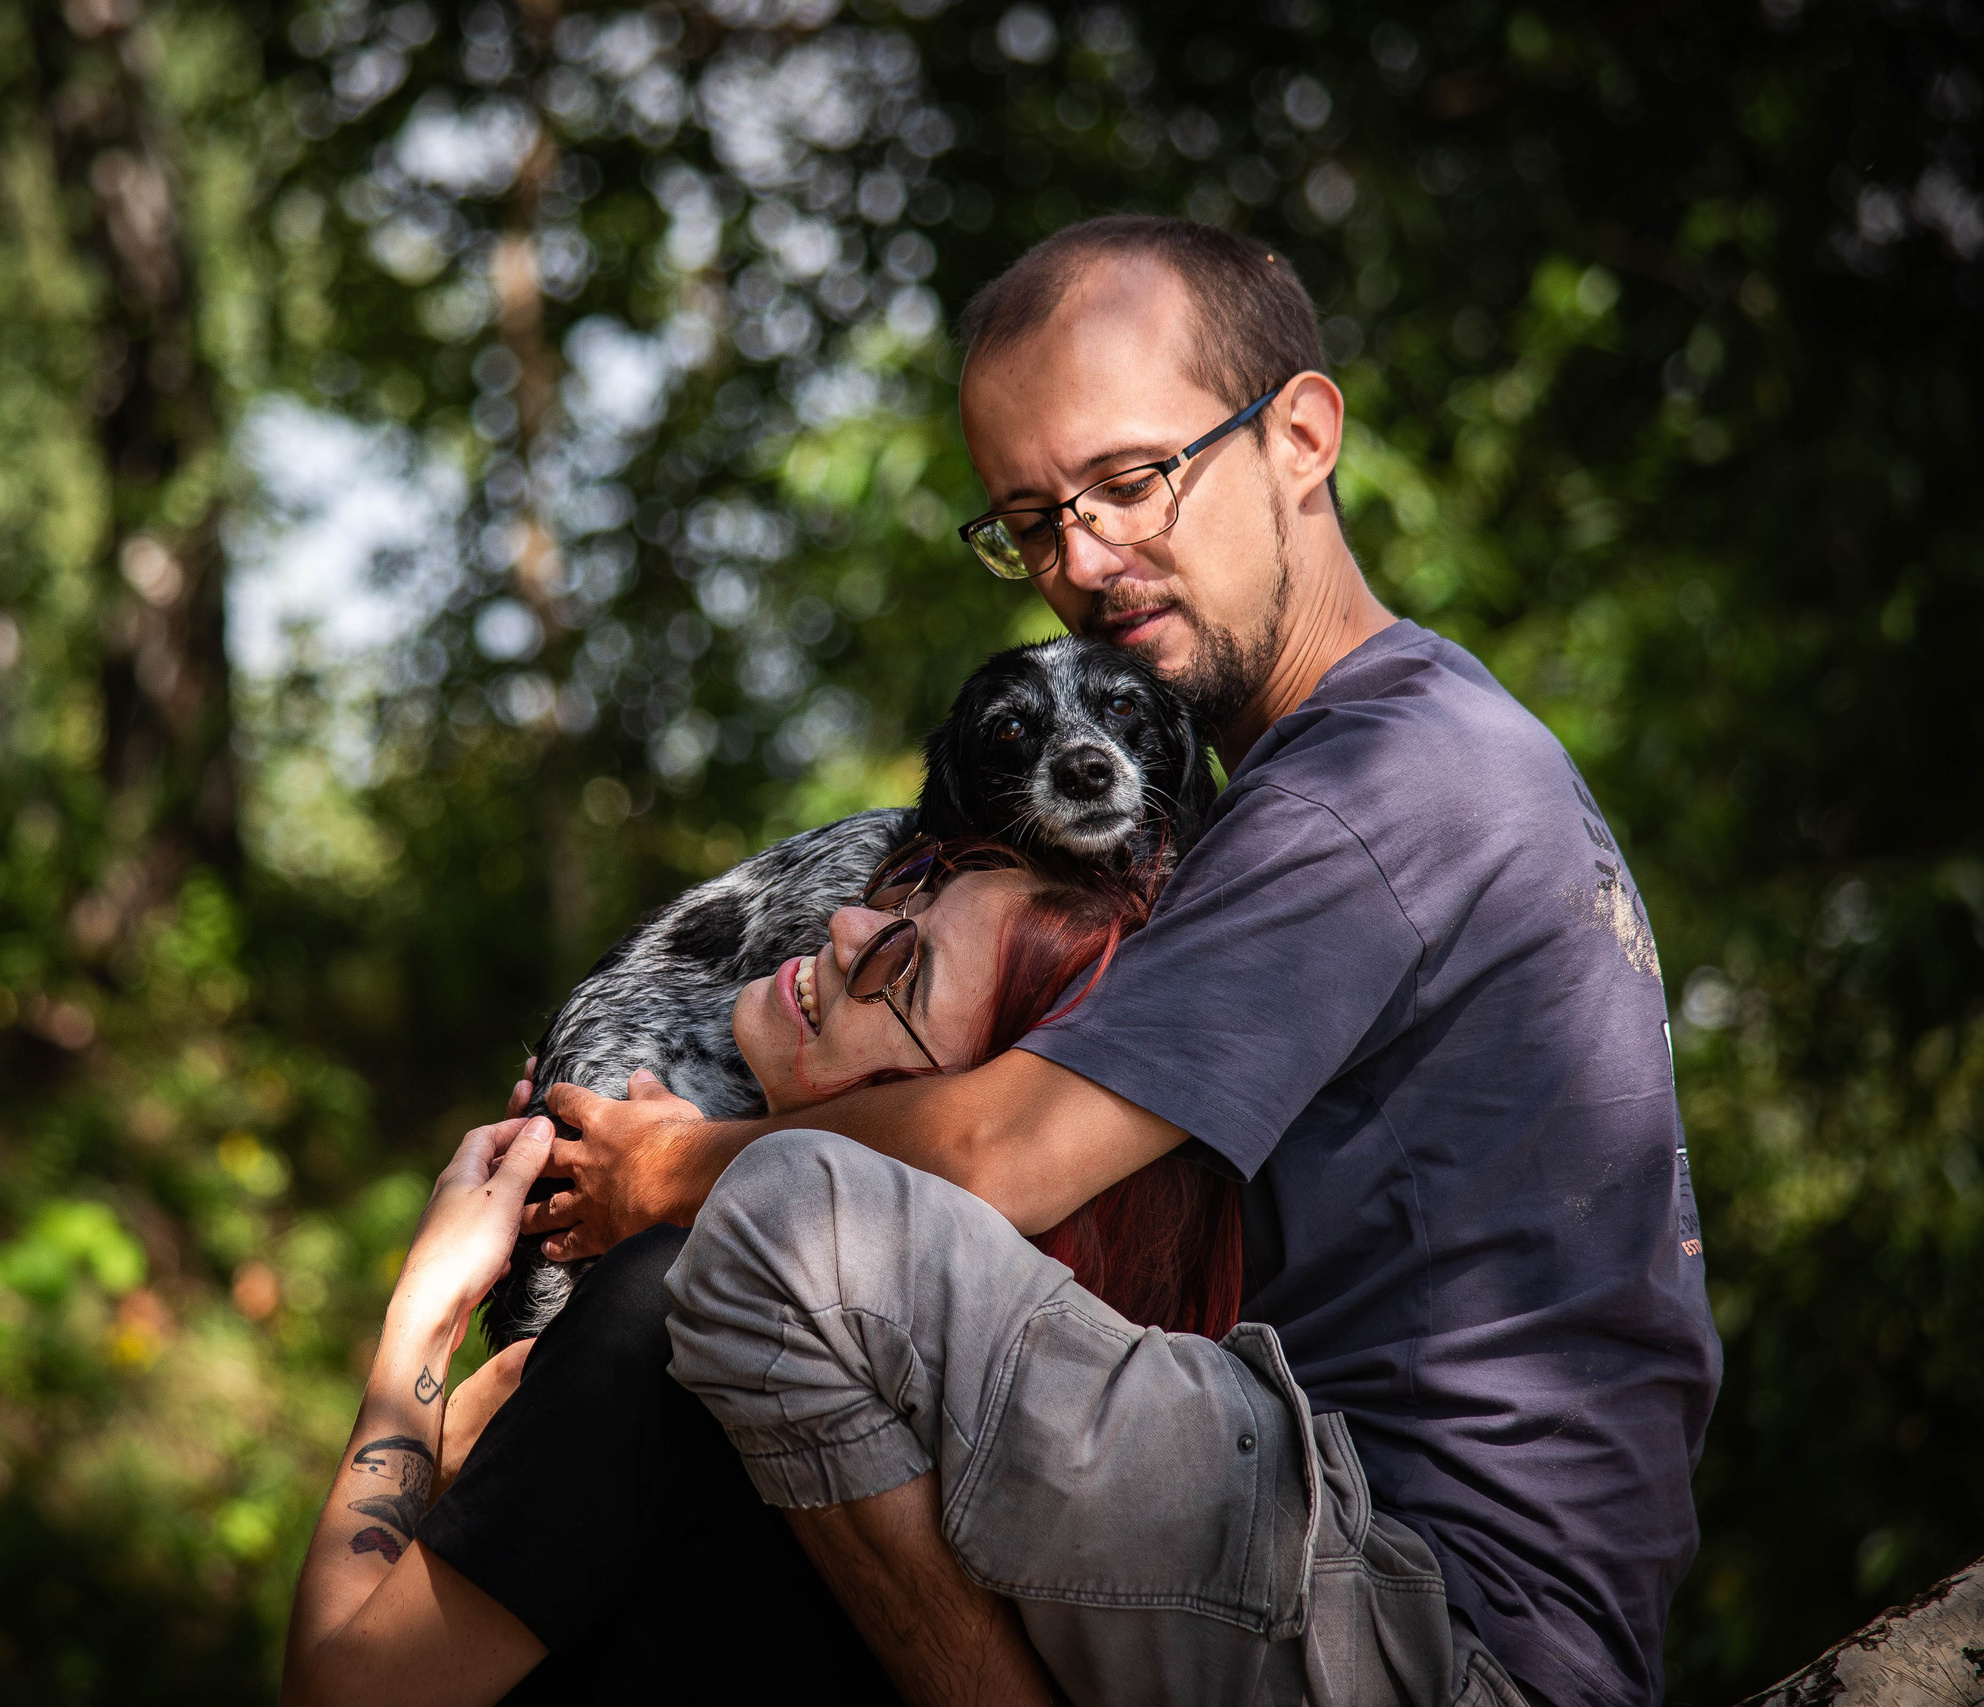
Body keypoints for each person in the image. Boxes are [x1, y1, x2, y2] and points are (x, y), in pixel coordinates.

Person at [530, 216, 1722, 1707]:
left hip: (1424, 1612)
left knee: (791, 1222)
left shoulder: (1384, 781)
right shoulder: (1378, 757)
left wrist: (674, 1162)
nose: (1084, 562)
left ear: (1301, 434)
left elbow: (998, 1157)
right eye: (1031, 520)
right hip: (1354, 1550)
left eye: (1131, 480)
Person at [280, 845, 1239, 1704]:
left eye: (903, 965)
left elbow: (342, 1686)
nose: (848, 922)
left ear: (942, 1116)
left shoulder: (682, 1310)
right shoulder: (1001, 1434)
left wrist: (426, 1317)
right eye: (915, 884)